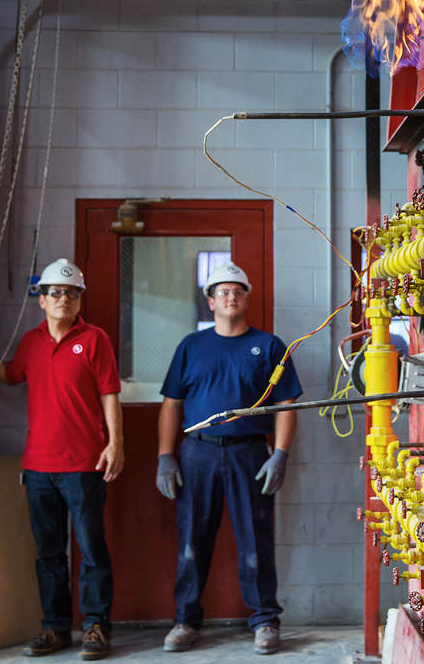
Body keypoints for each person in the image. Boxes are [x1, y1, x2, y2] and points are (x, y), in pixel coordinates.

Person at [0, 257, 123, 661]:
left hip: (85, 465)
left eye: (71, 293)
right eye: (56, 293)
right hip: (39, 469)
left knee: (91, 549)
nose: (64, 299)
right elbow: (9, 375)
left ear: (80, 300)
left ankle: (97, 626)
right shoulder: (31, 342)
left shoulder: (95, 340)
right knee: (49, 554)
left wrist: (116, 444)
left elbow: (110, 394)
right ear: (42, 300)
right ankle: (56, 628)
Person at [156, 261, 302, 655]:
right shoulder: (191, 347)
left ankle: (265, 621)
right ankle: (185, 621)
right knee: (191, 541)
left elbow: (287, 405)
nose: (231, 297)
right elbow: (172, 404)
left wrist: (281, 455)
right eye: (223, 292)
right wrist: (166, 456)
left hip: (250, 454)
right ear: (210, 301)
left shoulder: (270, 346)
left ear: (246, 297)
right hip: (197, 455)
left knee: (256, 540)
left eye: (237, 291)